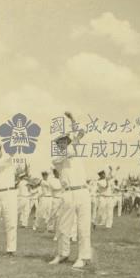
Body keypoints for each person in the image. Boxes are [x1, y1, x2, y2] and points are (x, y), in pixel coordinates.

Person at [49, 111, 92, 268]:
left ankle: (83, 257)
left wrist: (73, 119)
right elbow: (64, 154)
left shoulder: (76, 150)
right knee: (63, 226)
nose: (62, 144)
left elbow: (82, 131)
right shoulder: (57, 159)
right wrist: (73, 140)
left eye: (64, 141)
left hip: (82, 192)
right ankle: (62, 254)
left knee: (82, 227)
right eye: (59, 142)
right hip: (67, 194)